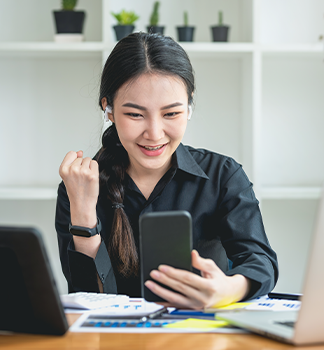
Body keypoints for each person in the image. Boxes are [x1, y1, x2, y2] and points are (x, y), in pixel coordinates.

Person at [55, 32, 278, 310]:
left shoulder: (223, 176)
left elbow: (260, 261)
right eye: (135, 114)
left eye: (171, 113)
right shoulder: (79, 187)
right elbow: (87, 296)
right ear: (108, 109)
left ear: (189, 105)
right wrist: (84, 217)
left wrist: (228, 288)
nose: (154, 133)